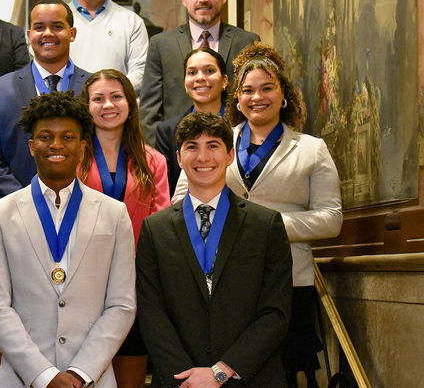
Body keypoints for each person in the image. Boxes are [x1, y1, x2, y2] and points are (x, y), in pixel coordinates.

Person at [176, 43, 343, 386]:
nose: (257, 97)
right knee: (229, 371)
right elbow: (181, 202)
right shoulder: (216, 142)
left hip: (288, 282)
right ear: (236, 98)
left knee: (283, 374)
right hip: (223, 281)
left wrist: (268, 225)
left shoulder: (312, 149)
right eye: (248, 90)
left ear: (283, 94)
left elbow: (331, 218)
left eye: (267, 88)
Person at [0, 91, 136, 388]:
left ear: (83, 147)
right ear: (31, 146)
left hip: (92, 378)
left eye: (67, 137)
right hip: (23, 378)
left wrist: (81, 372)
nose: (56, 145)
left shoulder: (114, 214)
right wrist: (44, 375)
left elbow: (122, 305)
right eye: (46, 136)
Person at [138, 112, 293, 386]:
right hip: (180, 380)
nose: (203, 157)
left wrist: (221, 371)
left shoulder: (265, 224)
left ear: (230, 155)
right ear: (178, 157)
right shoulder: (154, 229)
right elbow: (152, 313)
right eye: (192, 147)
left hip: (250, 377)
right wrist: (187, 376)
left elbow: (275, 313)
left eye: (213, 146)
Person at [77, 69, 169, 387]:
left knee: (130, 379)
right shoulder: (74, 158)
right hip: (83, 283)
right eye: (98, 98)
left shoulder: (153, 160)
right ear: (86, 106)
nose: (108, 105)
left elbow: (159, 223)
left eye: (116, 97)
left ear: (130, 103)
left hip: (134, 286)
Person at [0, 0, 90, 200]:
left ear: (72, 34)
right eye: (39, 27)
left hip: (82, 205)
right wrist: (27, 202)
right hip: (16, 209)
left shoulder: (93, 89)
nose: (47, 33)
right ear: (29, 35)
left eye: (57, 26)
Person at [140, 0, 259, 143]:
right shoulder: (161, 44)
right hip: (176, 150)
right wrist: (161, 157)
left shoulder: (247, 42)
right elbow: (149, 111)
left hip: (236, 148)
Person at [67, 0, 148, 91]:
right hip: (69, 111)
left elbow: (140, 73)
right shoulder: (58, 22)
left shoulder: (132, 23)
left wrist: (107, 95)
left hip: (115, 109)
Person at [155, 48, 228, 196]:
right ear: (184, 83)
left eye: (209, 71)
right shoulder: (168, 130)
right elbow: (166, 190)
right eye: (192, 73)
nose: (200, 78)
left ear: (224, 81)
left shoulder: (242, 125)